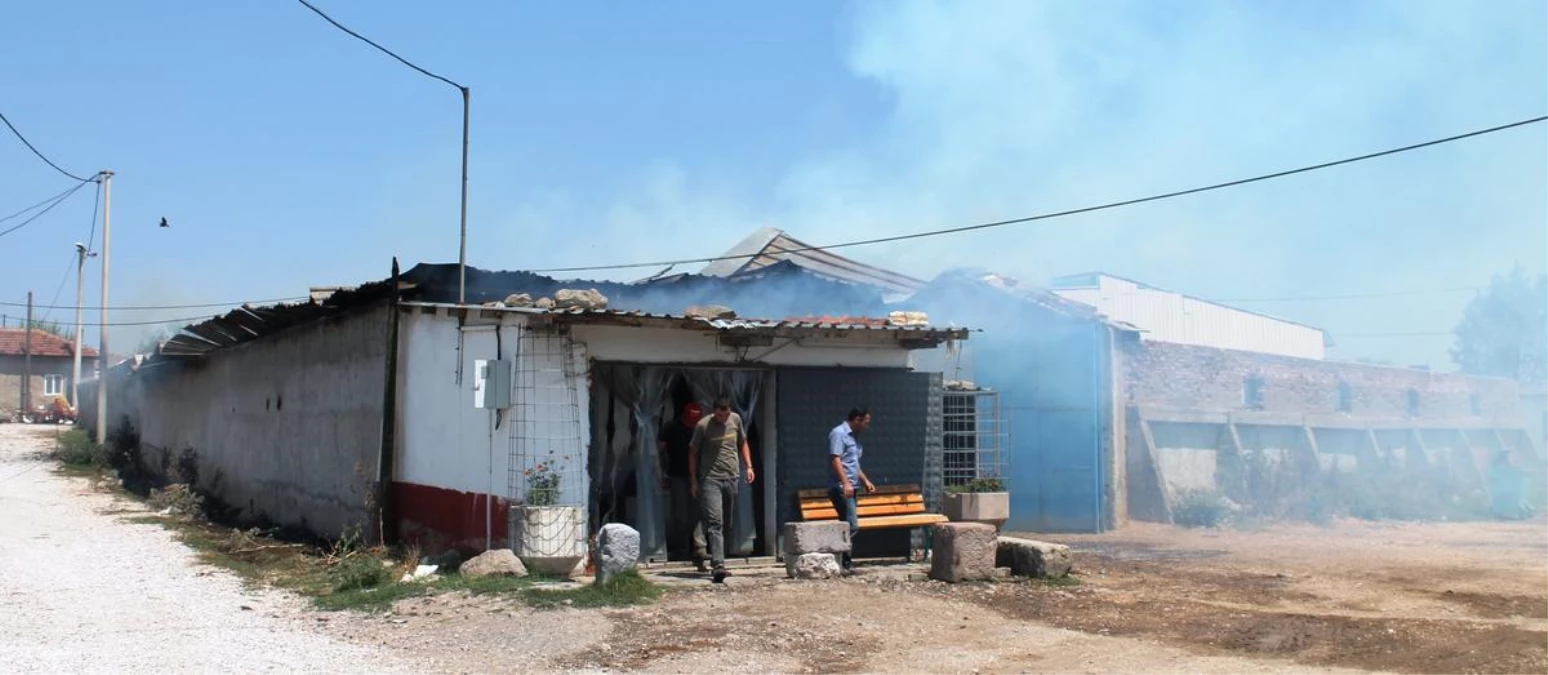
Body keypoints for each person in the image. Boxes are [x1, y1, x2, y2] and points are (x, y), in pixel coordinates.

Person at [688, 397, 755, 583]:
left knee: (727, 522)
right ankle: (718, 565)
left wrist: (749, 466)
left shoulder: (736, 420)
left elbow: (743, 442)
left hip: (731, 477)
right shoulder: (703, 425)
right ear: (714, 411)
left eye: (725, 415)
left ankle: (721, 559)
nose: (723, 419)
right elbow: (692, 452)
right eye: (719, 415)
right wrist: (694, 481)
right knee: (715, 521)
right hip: (710, 479)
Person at [658, 402, 709, 568]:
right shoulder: (671, 428)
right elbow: (660, 452)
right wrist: (662, 473)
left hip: (699, 476)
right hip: (677, 475)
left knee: (698, 513)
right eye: (690, 421)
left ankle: (699, 548)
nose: (692, 424)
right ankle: (681, 549)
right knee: (680, 514)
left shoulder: (703, 428)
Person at [829, 406, 876, 573]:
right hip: (842, 488)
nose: (866, 426)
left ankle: (844, 563)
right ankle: (839, 559)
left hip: (853, 487)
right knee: (852, 525)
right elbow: (836, 460)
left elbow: (853, 465)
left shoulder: (855, 438)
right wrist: (846, 482)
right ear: (857, 419)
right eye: (865, 422)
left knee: (847, 524)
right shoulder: (839, 433)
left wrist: (865, 481)